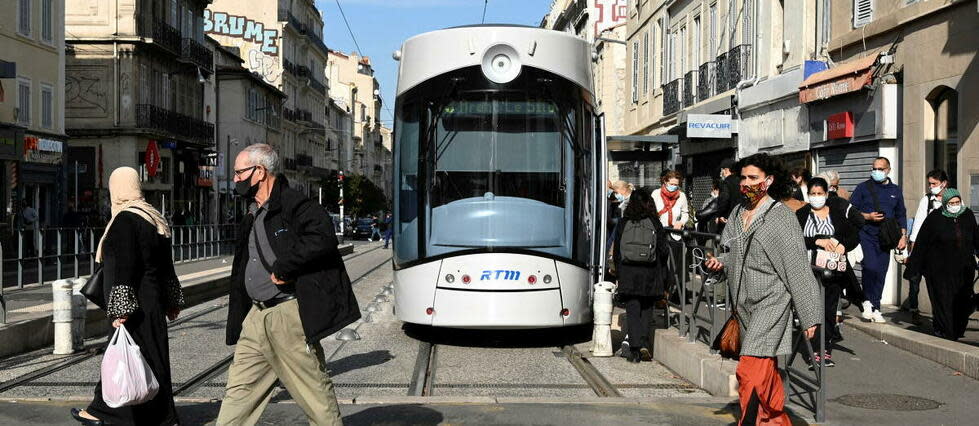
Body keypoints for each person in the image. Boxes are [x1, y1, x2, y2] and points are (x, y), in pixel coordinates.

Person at [218, 144, 358, 425]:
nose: (235, 179)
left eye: (238, 173)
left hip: (287, 315)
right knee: (240, 391)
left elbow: (322, 239)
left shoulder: (295, 204)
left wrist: (285, 267)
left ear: (259, 172)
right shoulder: (252, 211)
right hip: (256, 317)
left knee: (314, 392)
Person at [704, 153, 821, 426]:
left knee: (750, 367)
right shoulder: (737, 212)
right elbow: (731, 252)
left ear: (768, 181)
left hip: (772, 302)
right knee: (764, 367)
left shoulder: (780, 217)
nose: (746, 183)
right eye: (743, 177)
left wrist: (809, 315)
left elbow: (798, 269)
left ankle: (752, 421)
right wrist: (718, 262)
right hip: (743, 303)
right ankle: (773, 420)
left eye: (753, 178)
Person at [72, 167, 183, 426]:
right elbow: (167, 266)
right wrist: (172, 302)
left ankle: (105, 411)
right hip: (152, 303)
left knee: (124, 358)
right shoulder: (155, 218)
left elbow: (124, 267)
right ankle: (164, 418)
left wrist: (120, 308)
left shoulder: (124, 220)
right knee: (152, 359)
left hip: (132, 305)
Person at [795, 177, 861, 368]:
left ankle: (825, 349)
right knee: (813, 309)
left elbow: (853, 235)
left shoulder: (837, 212)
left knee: (830, 309)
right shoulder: (801, 214)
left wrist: (842, 245)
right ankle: (814, 350)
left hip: (833, 270)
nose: (816, 198)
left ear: (826, 194)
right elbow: (795, 238)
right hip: (808, 269)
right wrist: (816, 241)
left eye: (820, 194)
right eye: (813, 194)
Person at [904, 189, 978, 341]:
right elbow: (922, 243)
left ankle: (956, 330)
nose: (955, 206)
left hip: (964, 269)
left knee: (963, 300)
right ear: (945, 204)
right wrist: (914, 266)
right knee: (943, 301)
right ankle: (945, 330)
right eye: (951, 203)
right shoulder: (935, 218)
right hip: (939, 270)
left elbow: (976, 238)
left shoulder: (967, 215)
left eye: (957, 202)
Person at [611, 188, 673, 363]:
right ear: (649, 203)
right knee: (647, 308)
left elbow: (617, 252)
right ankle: (644, 343)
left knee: (632, 308)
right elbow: (663, 250)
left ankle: (635, 347)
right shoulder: (654, 221)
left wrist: (618, 271)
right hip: (650, 272)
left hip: (628, 272)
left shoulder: (623, 222)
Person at [849, 157, 908, 323]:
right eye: (874, 168)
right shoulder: (863, 188)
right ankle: (866, 300)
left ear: (888, 170)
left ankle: (876, 307)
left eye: (880, 169)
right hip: (866, 234)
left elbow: (901, 214)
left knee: (881, 272)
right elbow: (851, 211)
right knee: (870, 267)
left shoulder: (895, 190)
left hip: (887, 237)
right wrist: (867, 216)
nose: (876, 171)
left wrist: (903, 236)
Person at [904, 169, 949, 324]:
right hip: (924, 248)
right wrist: (912, 248)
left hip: (942, 251)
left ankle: (939, 315)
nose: (931, 186)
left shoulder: (953, 199)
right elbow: (917, 225)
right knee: (915, 281)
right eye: (929, 183)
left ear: (944, 183)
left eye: (934, 183)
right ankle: (914, 309)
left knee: (937, 284)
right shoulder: (927, 200)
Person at [651, 170, 689, 240]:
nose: (674, 186)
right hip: (658, 232)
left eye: (676, 185)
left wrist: (681, 222)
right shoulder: (656, 194)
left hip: (675, 233)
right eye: (671, 184)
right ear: (665, 182)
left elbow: (685, 213)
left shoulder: (681, 196)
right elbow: (650, 211)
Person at [715, 158, 742, 234]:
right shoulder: (741, 181)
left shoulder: (726, 183)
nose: (720, 173)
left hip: (727, 221)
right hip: (739, 221)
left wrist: (720, 215)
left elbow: (724, 200)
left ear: (726, 170)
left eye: (721, 170)